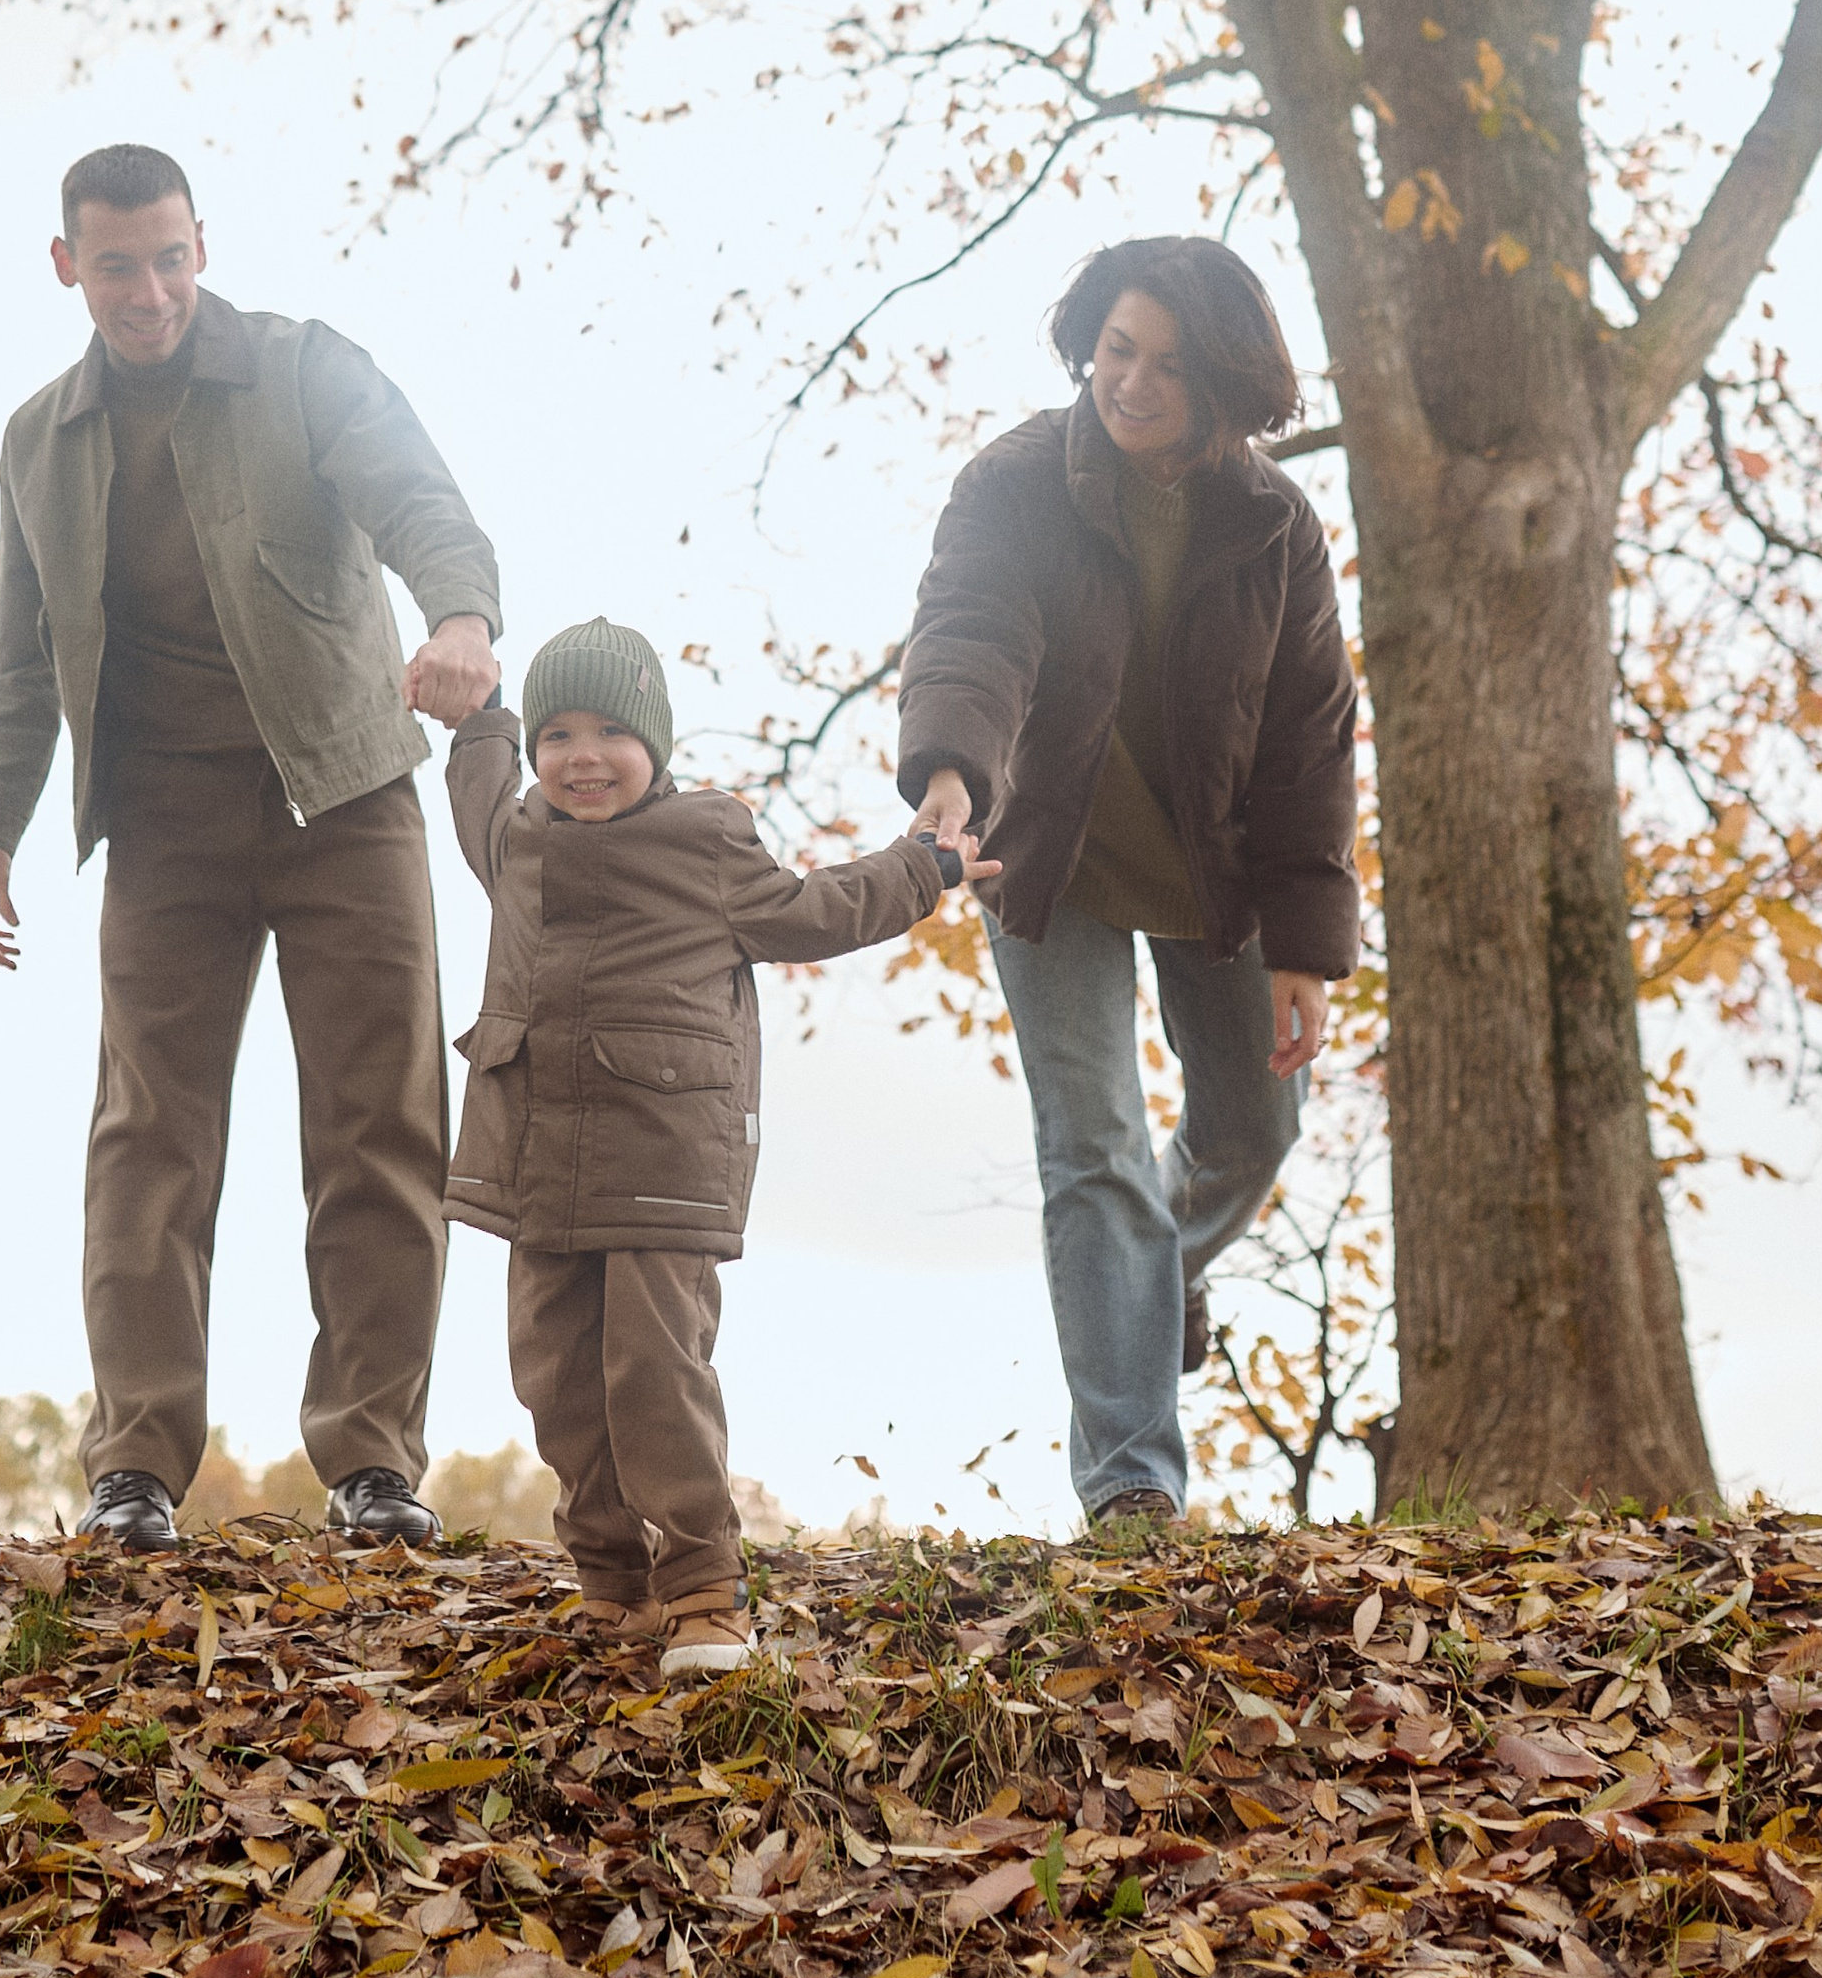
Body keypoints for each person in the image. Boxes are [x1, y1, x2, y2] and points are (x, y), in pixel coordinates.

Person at [0, 143, 504, 1556]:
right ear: (67, 265)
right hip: (164, 821)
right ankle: (134, 1468)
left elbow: (420, 500)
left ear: (205, 243)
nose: (151, 294)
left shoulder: (306, 367)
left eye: (173, 259)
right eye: (120, 266)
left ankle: (374, 1464)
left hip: (346, 794)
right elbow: (19, 658)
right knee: (148, 1141)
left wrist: (458, 620)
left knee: (378, 1126)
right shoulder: (41, 439)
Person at [897, 238, 1357, 1534]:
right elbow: (974, 630)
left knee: (1254, 1132)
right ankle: (1132, 1484)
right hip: (1050, 858)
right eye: (1114, 351)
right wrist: (948, 773)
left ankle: (1146, 1278)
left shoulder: (1275, 525)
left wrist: (1307, 947)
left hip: (1218, 870)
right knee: (1093, 1153)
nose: (1131, 383)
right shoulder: (1018, 482)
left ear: (1224, 385)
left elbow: (1311, 733)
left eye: (1164, 362)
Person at [433, 618, 953, 1673]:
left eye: (611, 732)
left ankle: (705, 1588)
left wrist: (924, 865)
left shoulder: (707, 840)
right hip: (538, 1158)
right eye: (557, 735)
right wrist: (479, 716)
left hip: (662, 1157)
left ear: (656, 746)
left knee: (654, 1374)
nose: (582, 756)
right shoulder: (518, 836)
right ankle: (614, 1584)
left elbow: (818, 910)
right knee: (555, 1379)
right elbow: (477, 789)